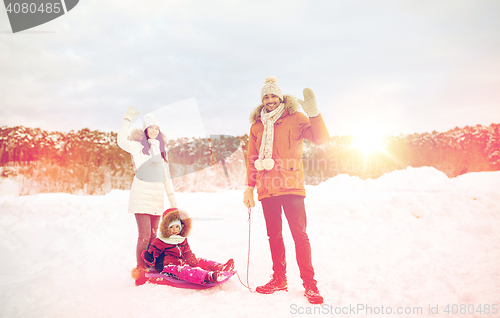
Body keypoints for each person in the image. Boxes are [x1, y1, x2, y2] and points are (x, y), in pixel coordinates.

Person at [243, 76, 329, 304]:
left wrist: (314, 113)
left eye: (273, 96)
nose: (270, 100)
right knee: (274, 236)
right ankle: (279, 279)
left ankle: (310, 285)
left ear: (280, 97)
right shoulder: (257, 126)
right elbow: (252, 159)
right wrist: (248, 189)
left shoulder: (296, 118)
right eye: (266, 96)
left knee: (299, 236)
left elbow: (321, 139)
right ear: (262, 100)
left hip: (291, 186)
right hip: (267, 188)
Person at [117, 106, 177, 286]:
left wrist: (173, 201)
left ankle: (152, 269)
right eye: (151, 127)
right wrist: (127, 118)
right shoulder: (137, 147)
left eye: (156, 128)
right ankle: (141, 271)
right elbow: (120, 141)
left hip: (156, 197)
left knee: (153, 236)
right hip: (141, 195)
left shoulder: (161, 152)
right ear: (145, 130)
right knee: (144, 236)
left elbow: (166, 178)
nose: (154, 130)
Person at [142, 208, 235, 285]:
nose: (175, 230)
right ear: (166, 228)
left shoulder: (182, 239)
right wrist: (149, 258)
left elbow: (187, 252)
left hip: (181, 261)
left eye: (177, 227)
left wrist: (194, 262)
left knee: (200, 260)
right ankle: (208, 276)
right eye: (171, 227)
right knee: (186, 271)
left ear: (181, 227)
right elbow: (153, 255)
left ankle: (220, 267)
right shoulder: (160, 241)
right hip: (168, 266)